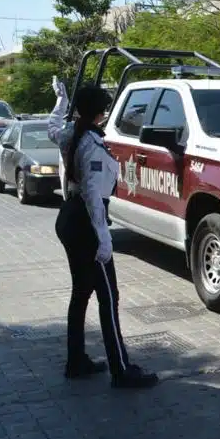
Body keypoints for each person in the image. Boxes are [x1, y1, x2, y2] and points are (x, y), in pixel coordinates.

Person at [47, 78, 158, 389]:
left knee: (82, 292)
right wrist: (104, 239)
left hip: (70, 219)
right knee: (108, 297)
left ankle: (76, 361)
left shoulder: (72, 134)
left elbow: (52, 128)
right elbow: (94, 197)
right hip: (86, 223)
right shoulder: (91, 145)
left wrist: (59, 102)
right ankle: (121, 370)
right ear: (100, 114)